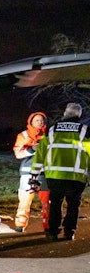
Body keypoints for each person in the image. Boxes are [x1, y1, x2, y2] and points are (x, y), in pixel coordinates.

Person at [31, 102, 90, 241]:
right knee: (73, 204)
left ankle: (52, 232)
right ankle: (69, 232)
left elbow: (41, 153)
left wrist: (34, 173)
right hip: (76, 176)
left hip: (54, 176)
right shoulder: (84, 131)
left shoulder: (52, 130)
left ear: (65, 113)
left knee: (56, 204)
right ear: (79, 115)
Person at [12, 111, 48, 232]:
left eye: (42, 120)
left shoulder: (48, 136)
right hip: (27, 174)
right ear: (31, 122)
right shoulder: (23, 135)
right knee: (24, 201)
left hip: (44, 174)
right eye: (37, 120)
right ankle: (20, 225)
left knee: (47, 202)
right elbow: (18, 154)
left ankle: (48, 225)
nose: (40, 122)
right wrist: (31, 149)